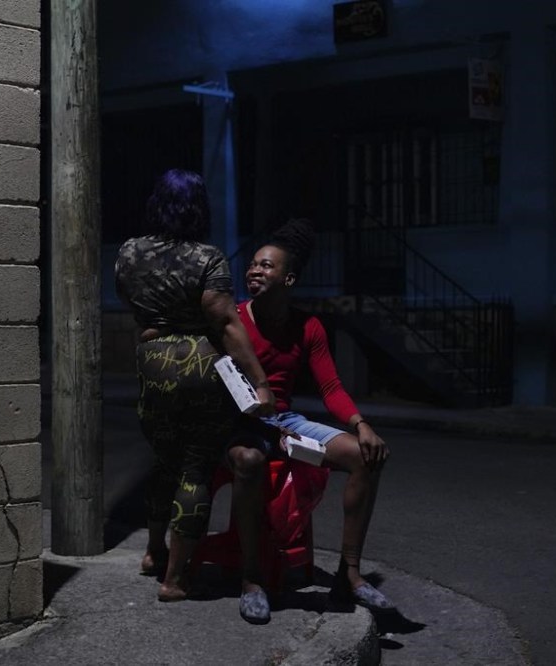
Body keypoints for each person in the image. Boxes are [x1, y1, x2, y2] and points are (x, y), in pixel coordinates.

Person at [114, 169, 275, 603]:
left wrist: (158, 324)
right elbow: (224, 322)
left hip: (152, 364)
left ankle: (152, 552)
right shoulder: (208, 258)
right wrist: (260, 382)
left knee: (162, 461)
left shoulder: (129, 252)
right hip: (200, 367)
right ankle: (175, 579)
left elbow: (130, 301)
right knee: (194, 469)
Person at [227, 218, 393, 625]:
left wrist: (360, 424)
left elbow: (331, 387)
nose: (254, 271)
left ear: (289, 278)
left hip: (285, 420)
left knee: (366, 455)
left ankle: (348, 576)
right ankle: (251, 580)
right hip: (240, 420)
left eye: (266, 266)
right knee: (249, 461)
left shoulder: (309, 326)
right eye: (252, 264)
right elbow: (225, 381)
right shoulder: (233, 320)